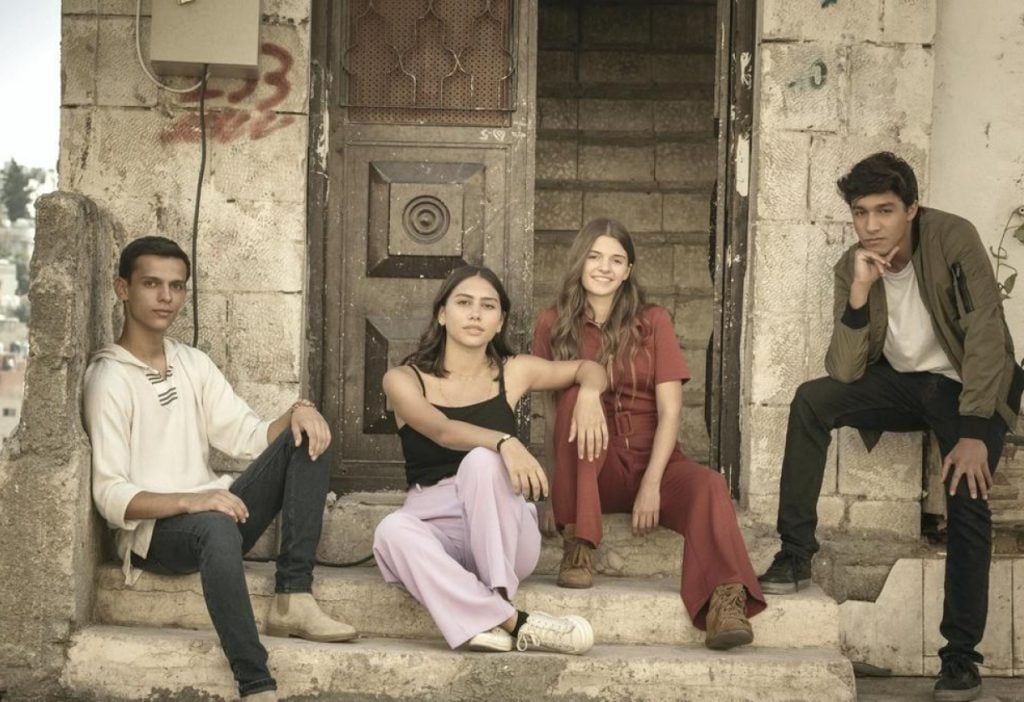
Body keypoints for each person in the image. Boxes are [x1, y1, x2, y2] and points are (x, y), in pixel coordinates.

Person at [756, 152, 1024, 702]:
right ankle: (795, 553)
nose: (872, 225)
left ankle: (960, 658)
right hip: (904, 385)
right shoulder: (852, 264)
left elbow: (986, 334)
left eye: (885, 211)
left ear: (912, 209)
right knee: (812, 400)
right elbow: (845, 370)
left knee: (968, 500)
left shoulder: (952, 238)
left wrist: (975, 430)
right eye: (861, 213)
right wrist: (860, 292)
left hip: (967, 387)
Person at [84, 236, 354, 702]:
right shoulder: (108, 378)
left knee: (309, 436)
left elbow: (246, 434)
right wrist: (192, 500)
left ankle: (293, 595)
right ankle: (256, 682)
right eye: (151, 284)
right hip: (155, 536)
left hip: (216, 517)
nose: (166, 297)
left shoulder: (192, 362)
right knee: (214, 525)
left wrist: (298, 413)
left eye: (176, 286)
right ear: (122, 288)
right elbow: (110, 496)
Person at [532, 218, 766, 651]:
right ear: (579, 261)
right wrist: (554, 493)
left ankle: (725, 602)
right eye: (594, 256)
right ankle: (579, 543)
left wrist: (652, 484)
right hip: (590, 468)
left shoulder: (653, 321)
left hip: (652, 460)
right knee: (573, 399)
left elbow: (670, 410)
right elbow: (550, 413)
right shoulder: (552, 324)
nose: (604, 267)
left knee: (710, 484)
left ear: (628, 270)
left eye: (616, 260)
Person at [372, 265, 608, 655]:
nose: (476, 314)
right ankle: (510, 622)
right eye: (464, 303)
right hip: (438, 532)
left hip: (506, 534)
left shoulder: (514, 371)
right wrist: (504, 441)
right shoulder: (403, 379)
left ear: (499, 322)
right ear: (442, 314)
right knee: (390, 531)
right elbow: (442, 430)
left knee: (482, 462)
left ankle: (495, 598)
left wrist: (589, 395)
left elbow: (590, 368)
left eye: (488, 306)